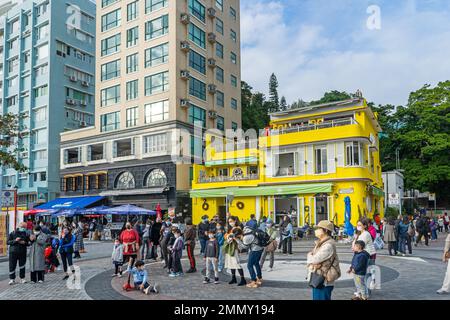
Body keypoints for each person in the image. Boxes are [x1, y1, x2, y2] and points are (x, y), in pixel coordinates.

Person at [307, 220, 341, 301]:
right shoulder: (321, 243)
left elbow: (314, 259)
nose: (316, 230)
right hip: (318, 278)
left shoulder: (328, 245)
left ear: (325, 230)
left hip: (323, 280)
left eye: (319, 228)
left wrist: (309, 256)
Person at [224, 216, 246, 286]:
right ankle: (233, 278)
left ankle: (243, 279)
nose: (230, 223)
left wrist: (233, 237)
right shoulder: (229, 229)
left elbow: (240, 236)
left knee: (236, 263)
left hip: (235, 247)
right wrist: (228, 237)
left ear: (235, 221)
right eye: (229, 222)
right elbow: (225, 235)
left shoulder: (238, 228)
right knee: (230, 263)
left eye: (231, 221)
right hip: (229, 247)